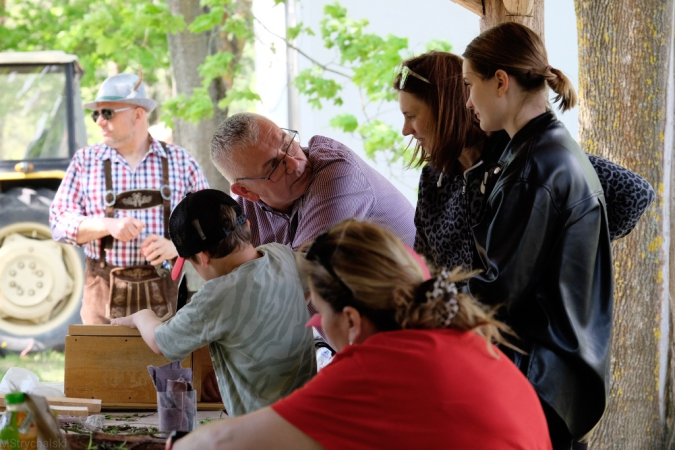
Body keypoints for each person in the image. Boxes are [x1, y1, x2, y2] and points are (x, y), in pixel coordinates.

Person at [169, 220, 553, 450]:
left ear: (351, 320)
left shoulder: (374, 368)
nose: (313, 324)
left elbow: (221, 444)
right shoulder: (462, 337)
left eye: (318, 312)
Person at [459, 22, 613, 449]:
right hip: (559, 377)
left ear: (501, 82)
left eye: (471, 85)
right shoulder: (550, 148)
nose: (468, 101)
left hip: (540, 380)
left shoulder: (536, 168)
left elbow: (497, 293)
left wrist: (422, 301)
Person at [393, 51, 655, 272]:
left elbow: (632, 192)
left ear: (445, 109)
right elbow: (424, 269)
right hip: (461, 329)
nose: (406, 129)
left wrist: (560, 263)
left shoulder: (522, 158)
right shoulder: (433, 179)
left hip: (520, 331)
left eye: (412, 115)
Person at [111, 189, 316, 417]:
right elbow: (305, 290)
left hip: (262, 428)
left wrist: (142, 316)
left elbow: (162, 343)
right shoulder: (280, 254)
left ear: (203, 257)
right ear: (247, 225)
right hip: (307, 412)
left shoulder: (216, 296)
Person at [50, 72, 209, 324]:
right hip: (102, 305)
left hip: (168, 308)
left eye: (108, 113)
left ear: (137, 114)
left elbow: (210, 223)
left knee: (167, 365)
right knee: (100, 365)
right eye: (96, 114)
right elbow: (58, 223)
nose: (100, 122)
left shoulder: (181, 162)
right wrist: (107, 225)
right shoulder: (85, 162)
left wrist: (179, 247)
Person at [210, 112, 416, 250]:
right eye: (274, 166)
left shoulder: (337, 173)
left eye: (288, 144)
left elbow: (300, 281)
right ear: (246, 191)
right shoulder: (242, 215)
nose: (294, 163)